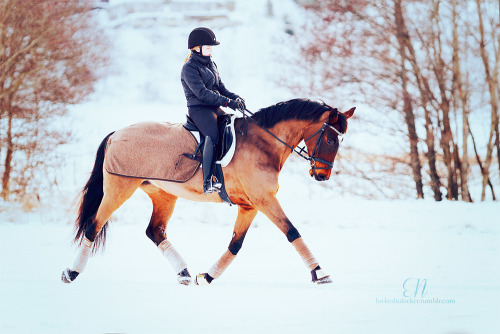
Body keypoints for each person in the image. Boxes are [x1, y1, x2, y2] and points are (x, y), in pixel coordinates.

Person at [181, 27, 245, 194]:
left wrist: (235, 98)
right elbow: (202, 93)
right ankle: (207, 180)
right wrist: (226, 102)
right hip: (199, 108)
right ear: (196, 48)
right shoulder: (189, 68)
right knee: (213, 136)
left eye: (211, 47)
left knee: (230, 127)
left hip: (213, 106)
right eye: (208, 47)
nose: (211, 50)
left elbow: (220, 88)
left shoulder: (211, 64)